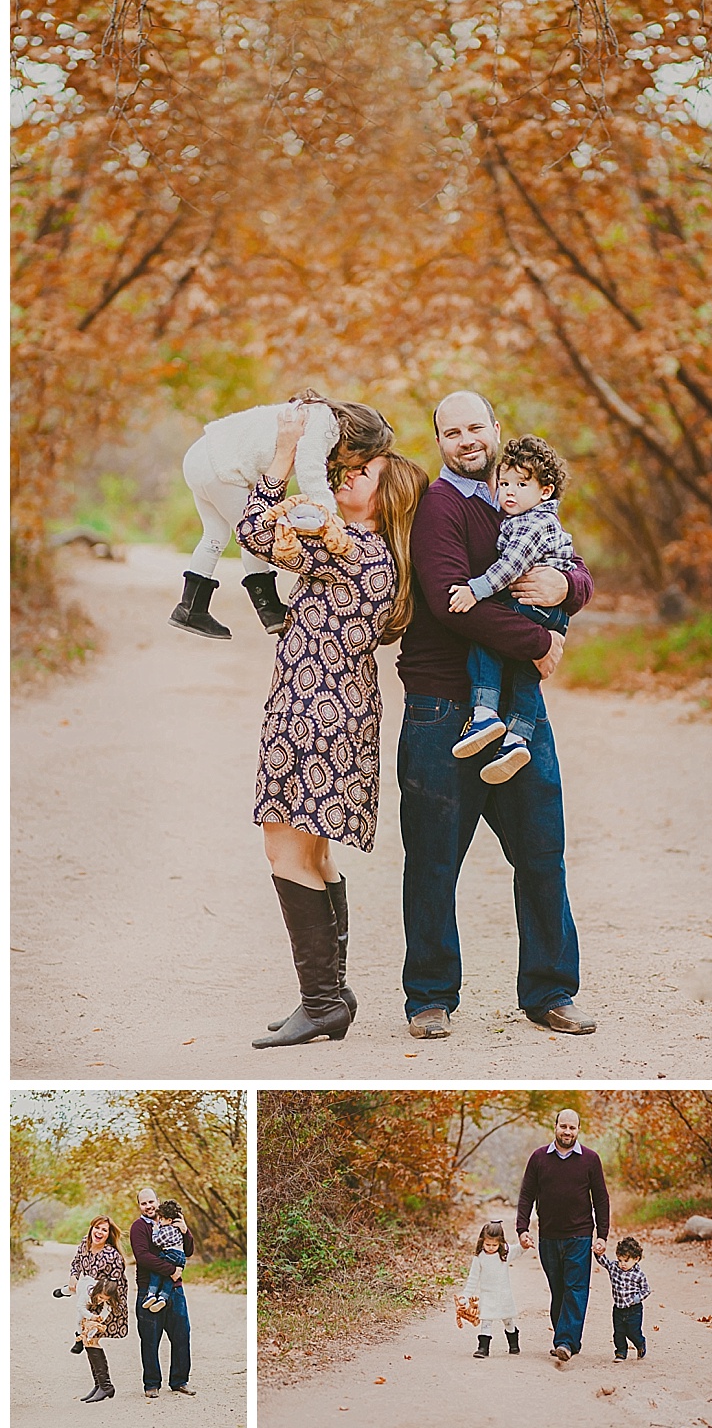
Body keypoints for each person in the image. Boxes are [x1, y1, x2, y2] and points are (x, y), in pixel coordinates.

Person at [396, 388, 595, 1040]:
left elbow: (571, 562)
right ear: (441, 442)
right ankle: (430, 997)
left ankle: (550, 991)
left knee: (543, 852)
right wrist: (541, 640)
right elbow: (452, 600)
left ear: (495, 427)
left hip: (516, 708)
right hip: (441, 707)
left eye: (475, 426)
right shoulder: (440, 508)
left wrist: (567, 588)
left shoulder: (523, 496)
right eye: (451, 432)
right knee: (432, 860)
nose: (466, 440)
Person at [236, 405, 429, 1049]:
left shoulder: (364, 550)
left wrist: (288, 452)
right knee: (313, 851)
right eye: (340, 466)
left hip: (319, 710)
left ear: (387, 490)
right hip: (321, 706)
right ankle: (332, 996)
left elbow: (252, 528)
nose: (343, 476)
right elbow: (263, 535)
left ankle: (320, 1001)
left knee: (285, 848)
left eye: (360, 469)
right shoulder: (347, 542)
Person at [170, 390, 394, 638]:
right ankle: (270, 610)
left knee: (215, 535)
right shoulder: (325, 426)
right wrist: (328, 516)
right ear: (356, 441)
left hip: (202, 456)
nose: (351, 467)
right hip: (221, 467)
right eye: (360, 460)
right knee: (256, 534)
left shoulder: (315, 415)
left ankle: (190, 608)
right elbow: (310, 472)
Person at [448, 434, 574, 784]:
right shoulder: (526, 517)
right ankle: (518, 738)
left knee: (491, 638)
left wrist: (475, 590)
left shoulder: (534, 523)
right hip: (547, 611)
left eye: (521, 484)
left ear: (545, 491)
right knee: (523, 669)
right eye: (504, 483)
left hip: (538, 606)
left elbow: (510, 568)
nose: (509, 492)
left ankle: (485, 713)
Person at [516, 1108, 610, 1363]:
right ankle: (568, 1339)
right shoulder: (538, 1158)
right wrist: (522, 1229)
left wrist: (602, 1235)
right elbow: (526, 1195)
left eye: (572, 1127)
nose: (567, 1132)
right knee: (559, 1290)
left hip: (579, 1235)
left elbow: (601, 1199)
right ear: (555, 1127)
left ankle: (565, 1341)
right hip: (548, 1236)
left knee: (576, 1288)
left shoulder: (590, 1160)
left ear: (578, 1130)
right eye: (563, 1126)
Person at [55, 1214, 128, 1403]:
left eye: (104, 1230)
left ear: (108, 1234)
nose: (99, 1232)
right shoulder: (84, 1244)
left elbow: (116, 1286)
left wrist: (101, 1309)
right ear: (91, 1228)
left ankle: (106, 1386)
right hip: (90, 1299)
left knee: (92, 1340)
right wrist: (73, 1275)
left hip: (107, 1304)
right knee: (88, 1340)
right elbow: (76, 1263)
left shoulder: (111, 1255)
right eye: (97, 1227)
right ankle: (99, 1385)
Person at [130, 1187, 195, 1398]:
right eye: (143, 1203)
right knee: (150, 1339)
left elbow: (189, 1251)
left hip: (175, 1290)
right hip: (148, 1288)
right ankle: (151, 1384)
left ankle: (179, 1381)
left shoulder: (173, 1220)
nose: (148, 1206)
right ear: (139, 1206)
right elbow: (143, 1256)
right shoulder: (138, 1227)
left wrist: (186, 1231)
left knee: (182, 1335)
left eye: (151, 1202)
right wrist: (172, 1270)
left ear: (158, 1201)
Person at [460, 1220, 527, 1359]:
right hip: (487, 1295)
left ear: (501, 1243)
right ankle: (483, 1348)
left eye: (494, 1245)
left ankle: (513, 1345)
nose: (490, 1248)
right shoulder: (479, 1258)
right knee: (486, 1321)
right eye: (487, 1244)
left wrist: (525, 1245)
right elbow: (473, 1278)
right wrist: (466, 1296)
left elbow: (519, 1250)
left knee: (508, 1320)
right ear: (482, 1241)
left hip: (504, 1295)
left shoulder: (505, 1253)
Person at [595, 1235, 650, 1361]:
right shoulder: (614, 1268)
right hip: (618, 1309)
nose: (622, 1264)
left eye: (626, 1261)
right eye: (620, 1260)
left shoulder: (639, 1275)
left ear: (636, 1259)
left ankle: (640, 1343)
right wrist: (598, 1253)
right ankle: (620, 1352)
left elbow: (646, 1290)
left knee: (632, 1332)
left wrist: (637, 1299)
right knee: (618, 1333)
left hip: (633, 1309)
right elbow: (604, 1262)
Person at [141, 1200, 188, 1314]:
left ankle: (151, 1294)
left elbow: (157, 1241)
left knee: (156, 1271)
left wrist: (155, 1231)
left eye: (161, 1219)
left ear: (169, 1220)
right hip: (180, 1257)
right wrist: (173, 1270)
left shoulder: (166, 1229)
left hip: (171, 1253)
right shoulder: (177, 1228)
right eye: (143, 1203)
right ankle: (163, 1297)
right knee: (170, 1277)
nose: (160, 1221)